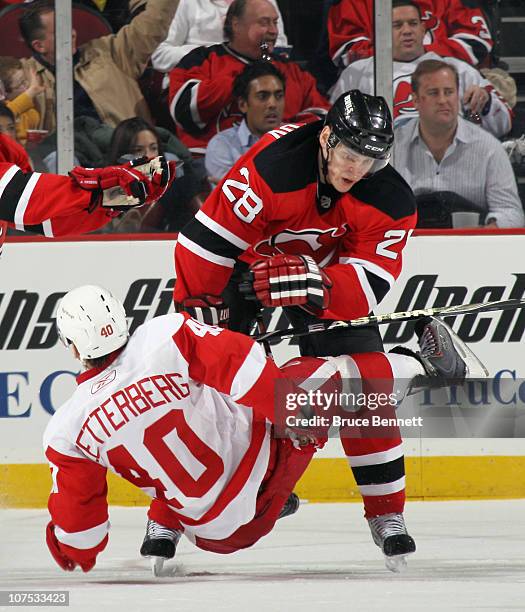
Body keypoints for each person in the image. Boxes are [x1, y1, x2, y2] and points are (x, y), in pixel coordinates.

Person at [44, 283, 487, 575]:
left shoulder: (66, 427)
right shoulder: (165, 336)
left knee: (177, 435)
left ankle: (163, 531)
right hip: (259, 474)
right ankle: (427, 366)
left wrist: (70, 554)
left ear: (70, 346)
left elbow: (81, 536)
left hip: (212, 533)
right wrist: (301, 413)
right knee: (321, 374)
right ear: (121, 319)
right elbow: (250, 373)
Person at [172, 88, 421, 561]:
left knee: (368, 380)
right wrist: (198, 306)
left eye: (370, 159)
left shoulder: (390, 198)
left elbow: (372, 277)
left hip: (323, 276)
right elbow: (202, 244)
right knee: (209, 385)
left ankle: (386, 512)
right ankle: (167, 516)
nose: (357, 169)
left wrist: (318, 286)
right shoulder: (272, 168)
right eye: (349, 154)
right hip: (244, 267)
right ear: (326, 138)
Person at [330, 0, 511, 139]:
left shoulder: (457, 69)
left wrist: (486, 104)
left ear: (424, 30)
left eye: (413, 23)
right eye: (397, 25)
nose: (407, 31)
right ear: (381, 30)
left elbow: (503, 123)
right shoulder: (357, 73)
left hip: (452, 161)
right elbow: (332, 128)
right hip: (384, 164)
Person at [168, 0, 329, 154]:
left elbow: (323, 115)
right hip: (210, 161)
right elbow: (183, 112)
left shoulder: (291, 70)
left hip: (282, 160)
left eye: (275, 22)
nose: (273, 31)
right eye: (264, 23)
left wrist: (287, 133)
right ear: (236, 25)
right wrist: (240, 80)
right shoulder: (203, 59)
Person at [393, 60, 524, 229]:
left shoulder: (489, 148)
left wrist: (484, 234)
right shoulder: (393, 148)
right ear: (416, 100)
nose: (442, 100)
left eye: (448, 92)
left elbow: (511, 213)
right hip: (408, 247)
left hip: (472, 247)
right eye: (433, 93)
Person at [17, 0, 179, 134]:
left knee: (170, 164)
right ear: (39, 46)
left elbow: (154, 22)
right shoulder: (21, 77)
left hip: (125, 152)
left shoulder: (111, 51)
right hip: (68, 164)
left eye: (70, 25)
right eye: (61, 30)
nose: (73, 33)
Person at [0, 134, 175, 256]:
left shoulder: (7, 151)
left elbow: (49, 220)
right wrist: (100, 187)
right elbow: (20, 199)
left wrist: (111, 197)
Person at [328, 0, 493, 68]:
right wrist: (407, 56)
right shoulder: (352, 3)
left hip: (446, 78)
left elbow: (475, 43)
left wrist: (421, 55)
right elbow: (349, 55)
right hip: (379, 87)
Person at [106, 117, 201, 232]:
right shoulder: (106, 191)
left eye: (153, 148)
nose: (150, 156)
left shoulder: (178, 187)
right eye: (138, 150)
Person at [151, 0, 288, 73]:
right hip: (199, 81)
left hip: (256, 80)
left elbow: (280, 48)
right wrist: (209, 55)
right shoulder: (186, 2)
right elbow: (160, 55)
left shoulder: (265, 3)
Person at [205, 61, 286, 181]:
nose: (272, 104)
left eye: (279, 96)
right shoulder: (222, 146)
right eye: (263, 96)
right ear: (243, 104)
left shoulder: (298, 141)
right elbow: (234, 196)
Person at [0, 57, 43, 144]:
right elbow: (9, 111)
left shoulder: (26, 110)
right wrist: (31, 92)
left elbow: (34, 117)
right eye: (21, 84)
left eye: (25, 80)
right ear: (4, 92)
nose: (27, 85)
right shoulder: (8, 108)